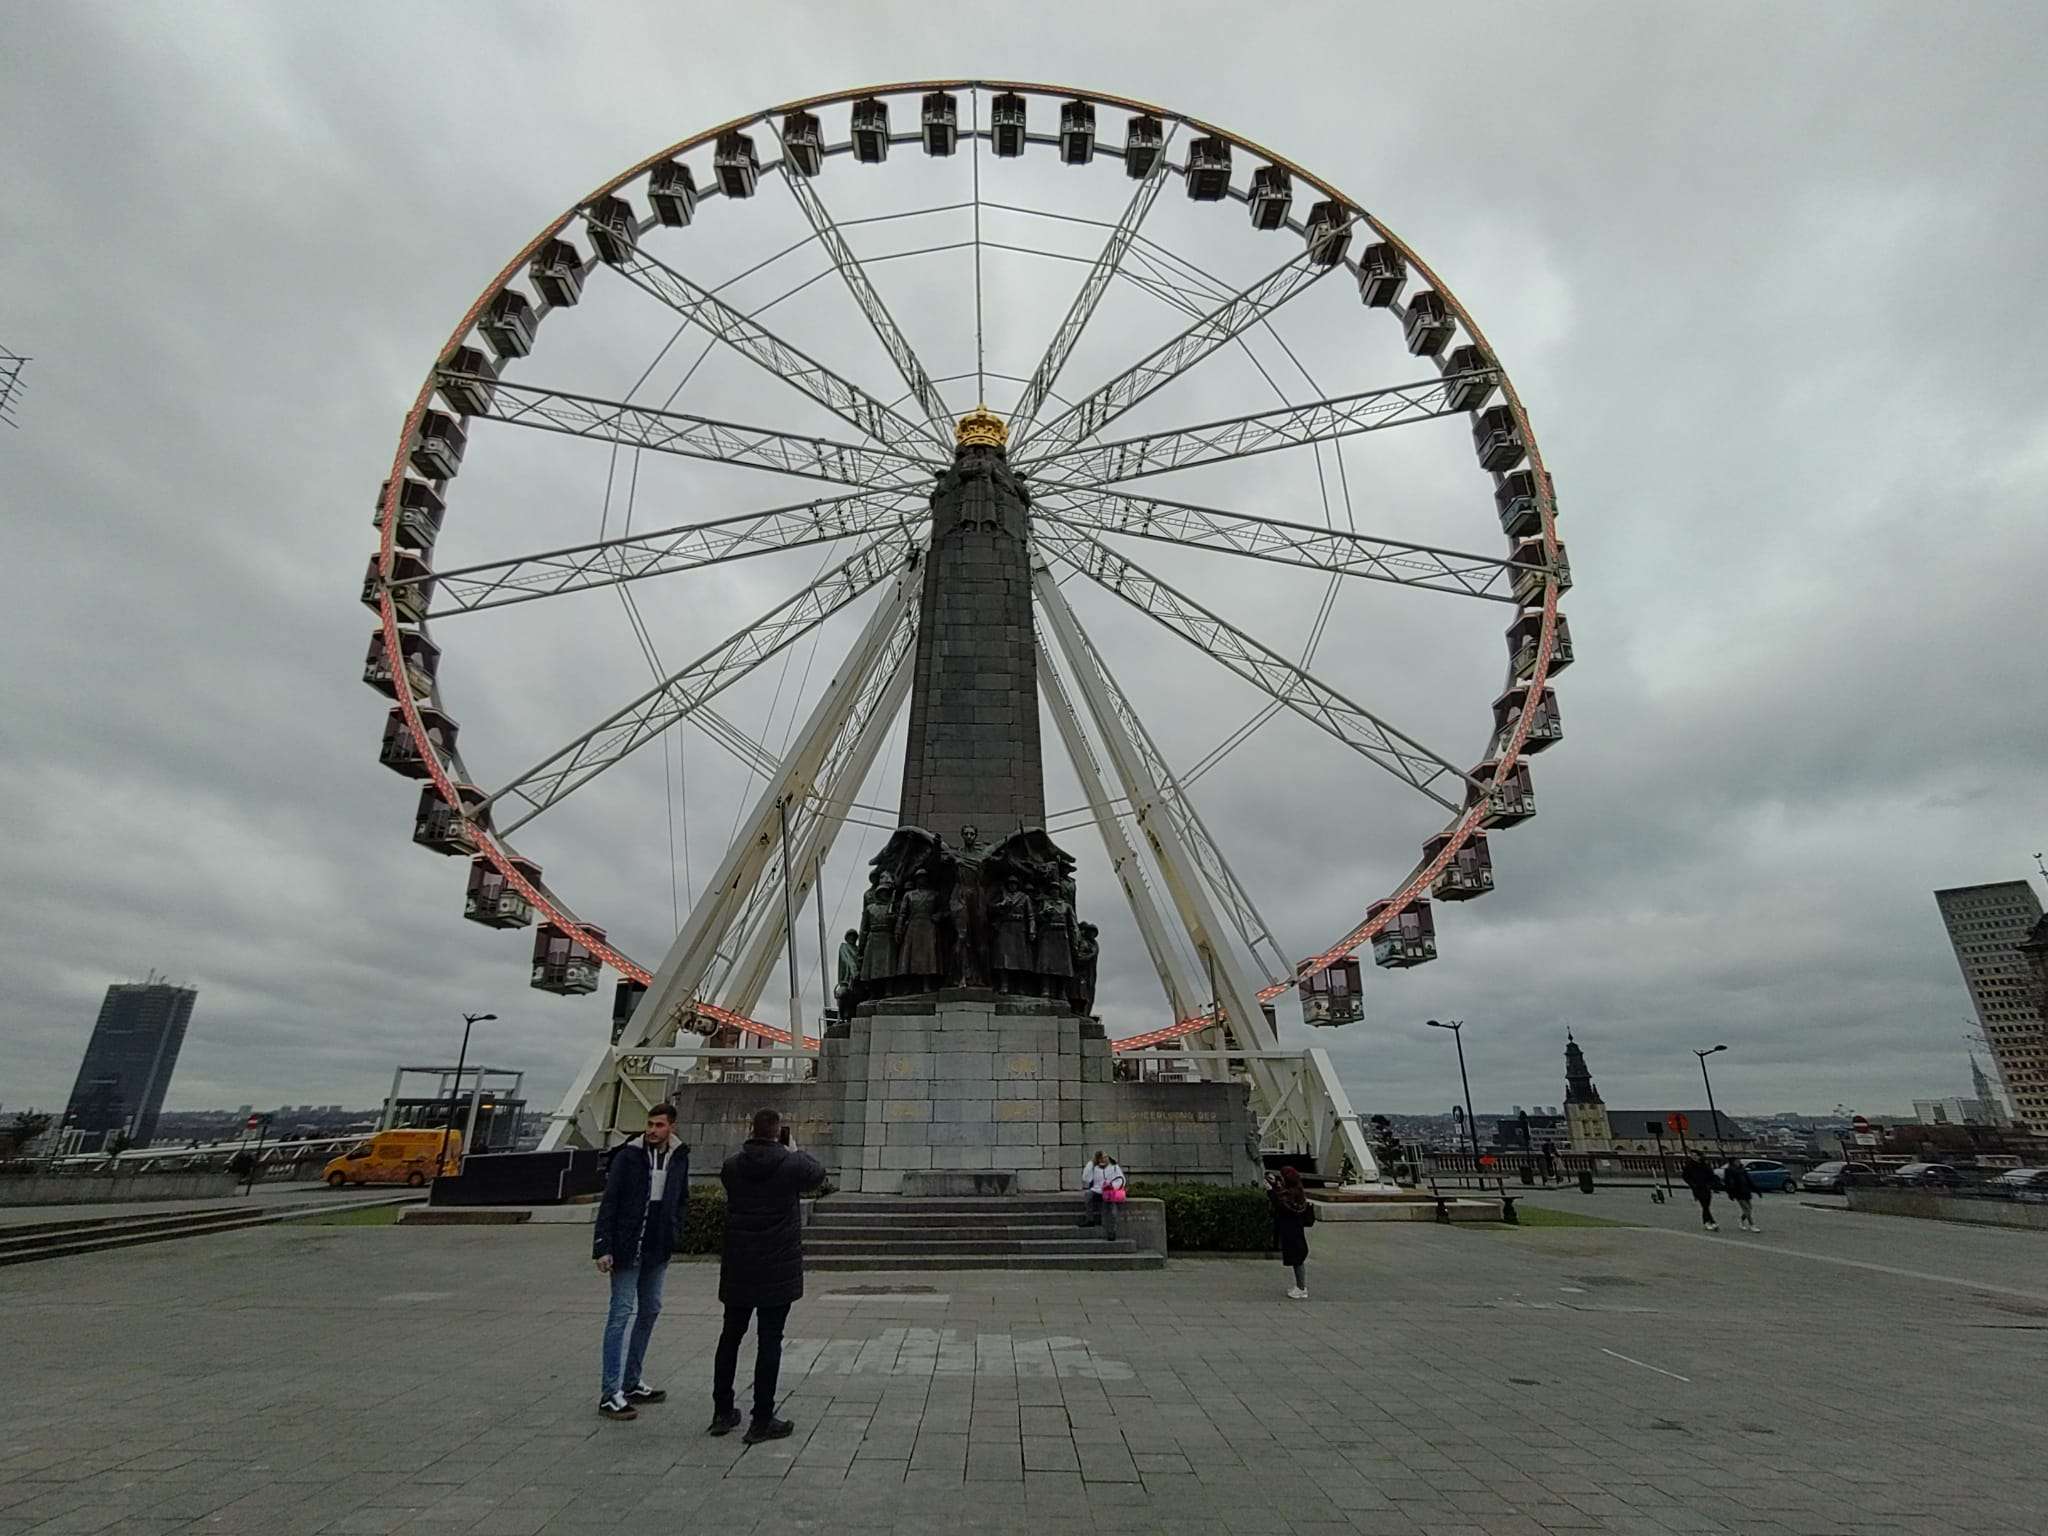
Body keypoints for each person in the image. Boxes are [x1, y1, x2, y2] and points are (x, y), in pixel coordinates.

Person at [709, 1108, 827, 1444]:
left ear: (751, 1130)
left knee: (730, 1337)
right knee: (769, 1340)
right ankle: (762, 1419)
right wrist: (793, 1151)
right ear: (779, 1133)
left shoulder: (732, 1166)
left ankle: (722, 1411)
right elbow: (817, 1174)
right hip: (776, 1266)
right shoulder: (790, 1164)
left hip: (740, 1265)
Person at [592, 1104, 688, 1421]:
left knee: (651, 1308)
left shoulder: (678, 1156)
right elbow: (611, 1201)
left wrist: (676, 1231)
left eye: (659, 1125)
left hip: (657, 1247)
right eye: (649, 1124)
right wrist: (602, 1246)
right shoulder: (629, 1156)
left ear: (671, 1127)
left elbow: (680, 1197)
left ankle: (632, 1382)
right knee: (620, 1313)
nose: (652, 1130)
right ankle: (610, 1393)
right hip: (626, 1246)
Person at [1268, 1166, 1316, 1300]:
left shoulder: (1290, 1195)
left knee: (1297, 1259)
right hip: (1296, 1229)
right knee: (1297, 1258)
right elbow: (1282, 1194)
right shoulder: (1297, 1190)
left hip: (1292, 1230)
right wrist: (1274, 1184)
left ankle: (1301, 1288)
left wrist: (1270, 1191)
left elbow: (1281, 1204)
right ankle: (1299, 1286)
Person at [1679, 1151, 1719, 1231]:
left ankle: (1710, 1221)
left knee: (1706, 1205)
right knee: (1704, 1205)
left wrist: (1711, 1184)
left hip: (1706, 1187)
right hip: (1697, 1188)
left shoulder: (1705, 1165)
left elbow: (1711, 1174)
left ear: (1699, 1156)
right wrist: (1692, 1184)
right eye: (1692, 1155)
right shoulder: (1689, 1166)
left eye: (1695, 1155)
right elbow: (1685, 1176)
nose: (1693, 1157)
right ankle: (1708, 1222)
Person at [1721, 1155, 1759, 1232]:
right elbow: (1727, 1183)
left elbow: (1748, 1180)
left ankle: (1741, 1220)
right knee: (1747, 1208)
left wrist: (1756, 1190)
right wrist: (1730, 1193)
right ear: (1733, 1162)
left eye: (1739, 1161)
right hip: (1738, 1192)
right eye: (1737, 1161)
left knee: (1749, 1208)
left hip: (1746, 1190)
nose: (1739, 1162)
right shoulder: (1729, 1170)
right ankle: (1752, 1225)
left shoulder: (1742, 1169)